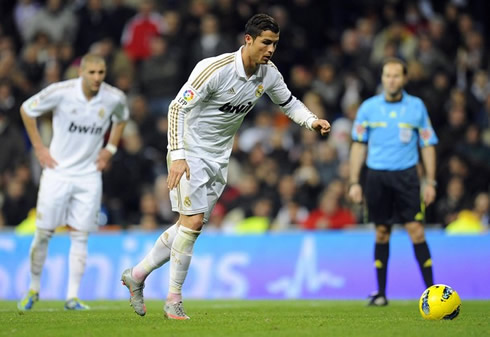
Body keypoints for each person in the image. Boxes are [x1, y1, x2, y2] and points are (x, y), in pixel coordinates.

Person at [120, 13, 331, 320]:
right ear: (249, 40)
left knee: (187, 227)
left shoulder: (268, 74)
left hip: (219, 158)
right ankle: (173, 300)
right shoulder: (214, 69)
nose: (271, 50)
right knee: (191, 224)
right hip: (190, 151)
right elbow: (177, 107)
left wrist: (311, 120)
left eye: (275, 44)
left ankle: (137, 275)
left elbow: (288, 103)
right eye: (266, 43)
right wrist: (177, 154)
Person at [17, 54, 129, 310]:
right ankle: (34, 288)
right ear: (81, 72)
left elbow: (121, 118)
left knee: (80, 236)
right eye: (92, 73)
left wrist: (110, 148)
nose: (97, 78)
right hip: (57, 172)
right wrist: (39, 148)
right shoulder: (61, 92)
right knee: (43, 233)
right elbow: (26, 109)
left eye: (101, 73)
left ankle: (72, 297)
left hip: (89, 175)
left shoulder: (114, 97)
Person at [348, 57, 438, 306]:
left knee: (416, 231)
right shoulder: (368, 108)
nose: (391, 80)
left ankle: (432, 292)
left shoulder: (417, 107)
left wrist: (431, 182)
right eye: (387, 75)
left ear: (405, 78)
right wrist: (354, 182)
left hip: (407, 176)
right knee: (381, 232)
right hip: (376, 176)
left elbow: (428, 145)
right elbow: (358, 145)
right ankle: (381, 293)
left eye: (396, 75)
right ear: (382, 78)